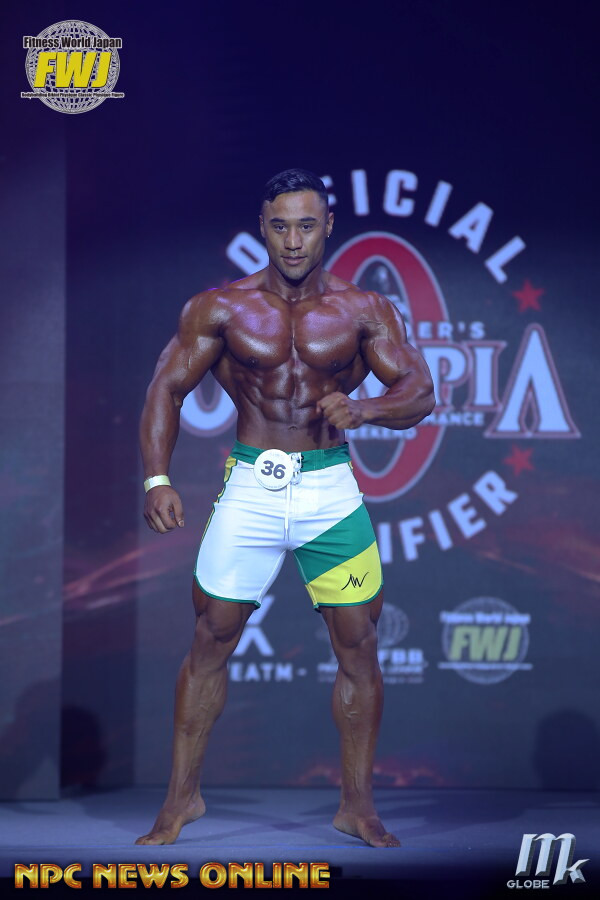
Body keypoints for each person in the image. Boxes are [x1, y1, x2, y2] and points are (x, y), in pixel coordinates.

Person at [136, 169, 435, 848]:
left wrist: (367, 409)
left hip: (330, 490)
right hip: (252, 486)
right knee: (211, 636)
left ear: (327, 226)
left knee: (359, 643)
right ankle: (180, 802)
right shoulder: (220, 307)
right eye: (280, 226)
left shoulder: (365, 310)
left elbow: (419, 389)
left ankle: (357, 807)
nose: (293, 241)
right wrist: (157, 479)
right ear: (262, 228)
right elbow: (165, 388)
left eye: (305, 226)